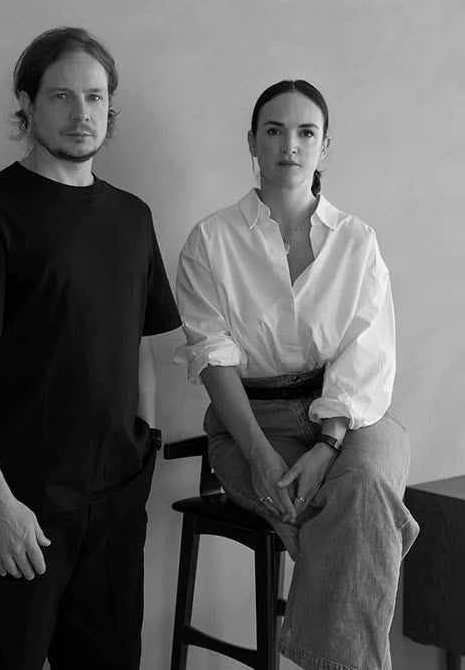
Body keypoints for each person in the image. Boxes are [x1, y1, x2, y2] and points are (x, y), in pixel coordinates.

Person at [0, 26, 180, 670]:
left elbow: (140, 348)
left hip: (115, 501)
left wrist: (142, 451)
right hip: (21, 504)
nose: (81, 114)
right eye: (62, 97)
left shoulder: (133, 217)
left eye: (95, 98)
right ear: (28, 103)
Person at [174, 79, 419, 670]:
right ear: (252, 143)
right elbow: (214, 360)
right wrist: (261, 457)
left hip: (353, 417)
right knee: (360, 520)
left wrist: (330, 441)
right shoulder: (211, 241)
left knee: (362, 491)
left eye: (306, 132)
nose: (290, 145)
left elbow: (367, 354)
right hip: (251, 424)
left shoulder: (357, 242)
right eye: (274, 131)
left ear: (324, 146)